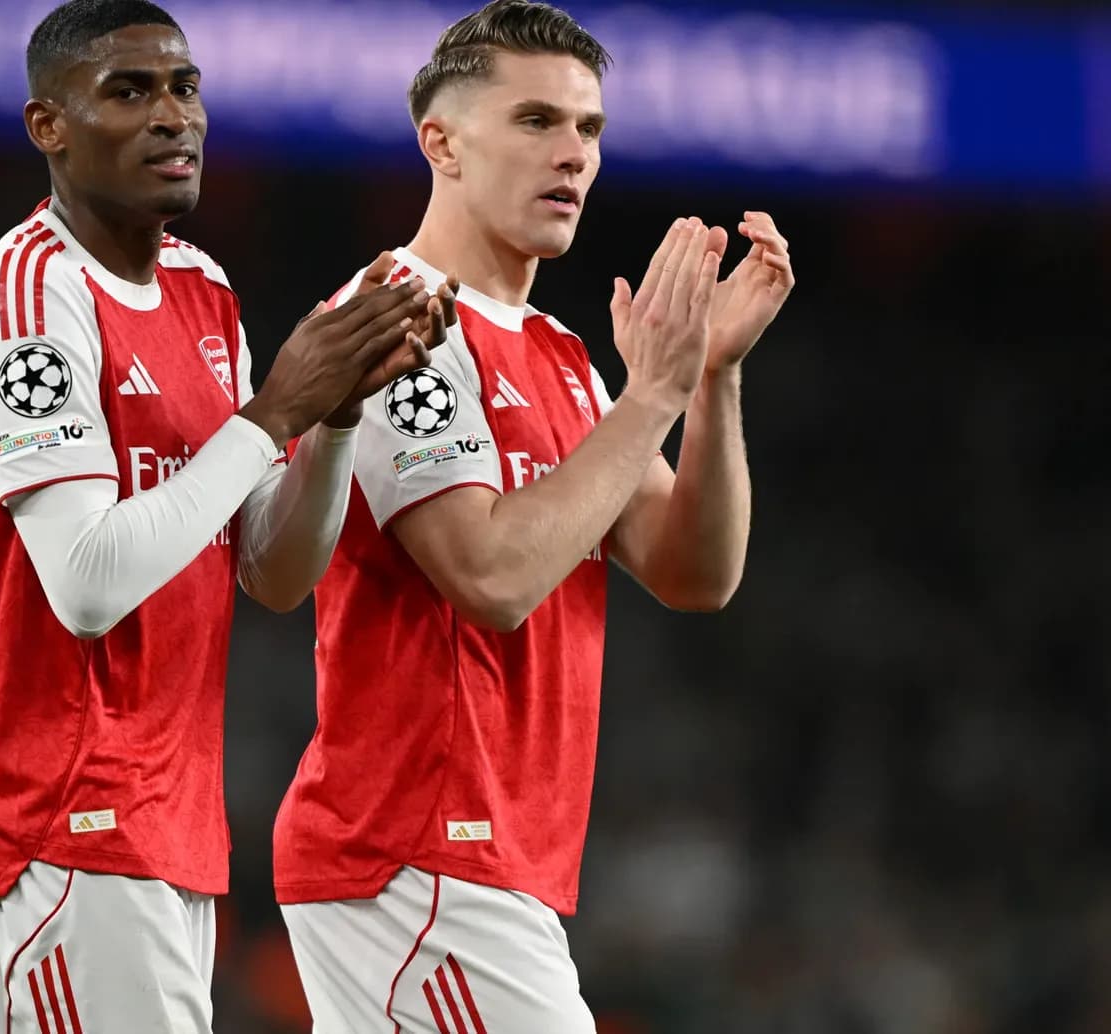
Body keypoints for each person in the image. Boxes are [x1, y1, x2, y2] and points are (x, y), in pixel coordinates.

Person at [0, 0, 454, 1029]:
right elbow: (84, 581)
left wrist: (333, 420)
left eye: (185, 88)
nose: (174, 116)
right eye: (130, 91)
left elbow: (271, 570)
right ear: (50, 126)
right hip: (58, 817)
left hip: (164, 819)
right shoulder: (27, 296)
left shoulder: (202, 290)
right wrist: (271, 414)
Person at [271, 2, 796, 1031]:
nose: (572, 155)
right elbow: (493, 576)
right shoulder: (391, 318)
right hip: (417, 853)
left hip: (484, 861)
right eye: (535, 121)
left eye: (589, 129)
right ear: (443, 143)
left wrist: (711, 379)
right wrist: (649, 397)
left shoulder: (556, 353)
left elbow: (695, 571)